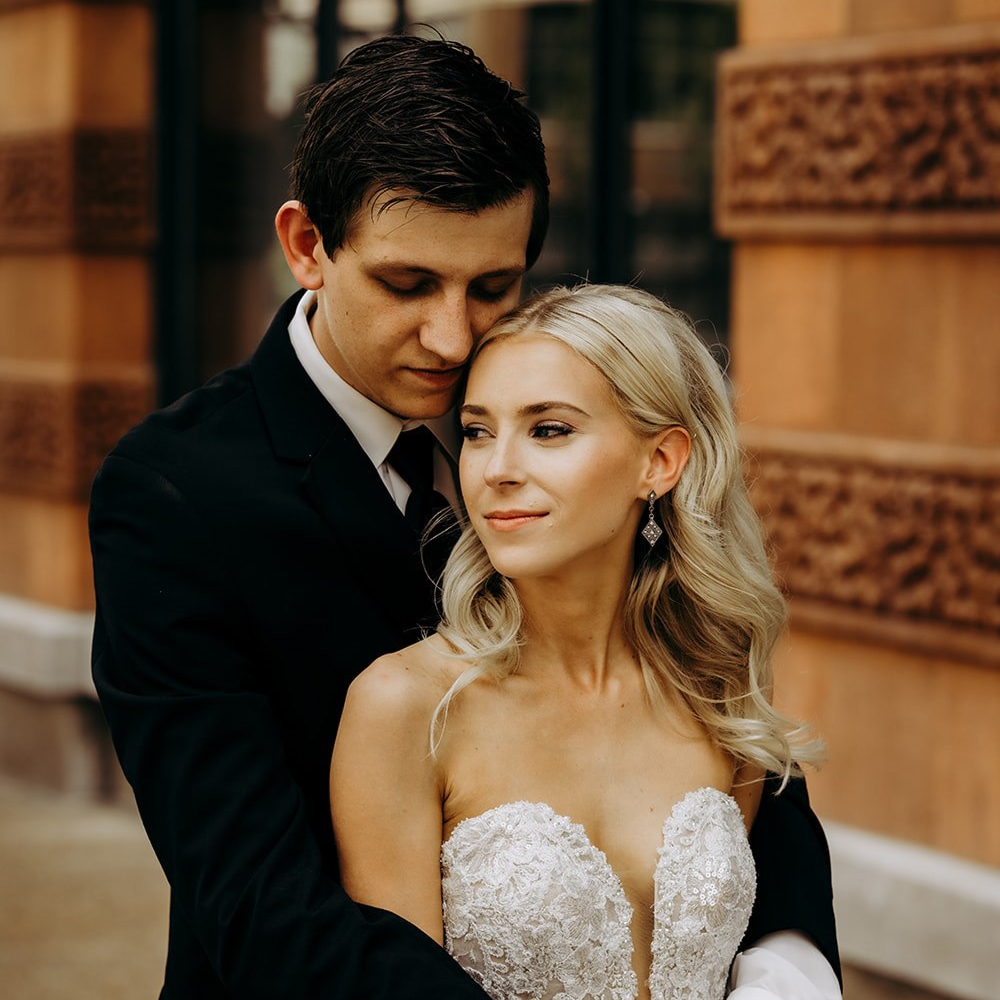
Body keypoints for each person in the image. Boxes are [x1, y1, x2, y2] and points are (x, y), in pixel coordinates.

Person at [88, 33, 838, 1000]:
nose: (451, 339)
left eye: (491, 286)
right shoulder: (173, 493)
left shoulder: (558, 395)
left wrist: (788, 971)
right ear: (307, 246)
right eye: (406, 285)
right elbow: (259, 904)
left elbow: (752, 800)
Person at [330, 283, 839, 1000]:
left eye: (548, 430)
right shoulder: (407, 706)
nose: (497, 469)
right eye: (477, 431)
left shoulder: (715, 687)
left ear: (659, 462)